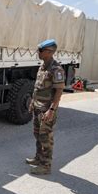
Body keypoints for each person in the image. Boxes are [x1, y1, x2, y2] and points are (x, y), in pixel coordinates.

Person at [27, 39, 65, 175]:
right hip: (38, 107)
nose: (38, 52)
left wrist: (52, 110)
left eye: (41, 51)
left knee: (45, 137)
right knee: (37, 134)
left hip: (47, 110)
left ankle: (46, 165)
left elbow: (59, 91)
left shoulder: (56, 69)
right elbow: (37, 87)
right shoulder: (42, 67)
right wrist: (32, 102)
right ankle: (38, 158)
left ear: (49, 52)